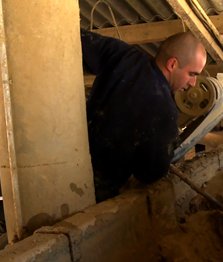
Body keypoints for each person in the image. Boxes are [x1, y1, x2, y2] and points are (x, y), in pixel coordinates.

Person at [80, 29, 207, 202]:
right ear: (172, 64)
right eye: (192, 74)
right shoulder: (165, 111)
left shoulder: (124, 55)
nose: (193, 83)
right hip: (95, 191)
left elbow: (77, 39)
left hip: (67, 158)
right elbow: (150, 174)